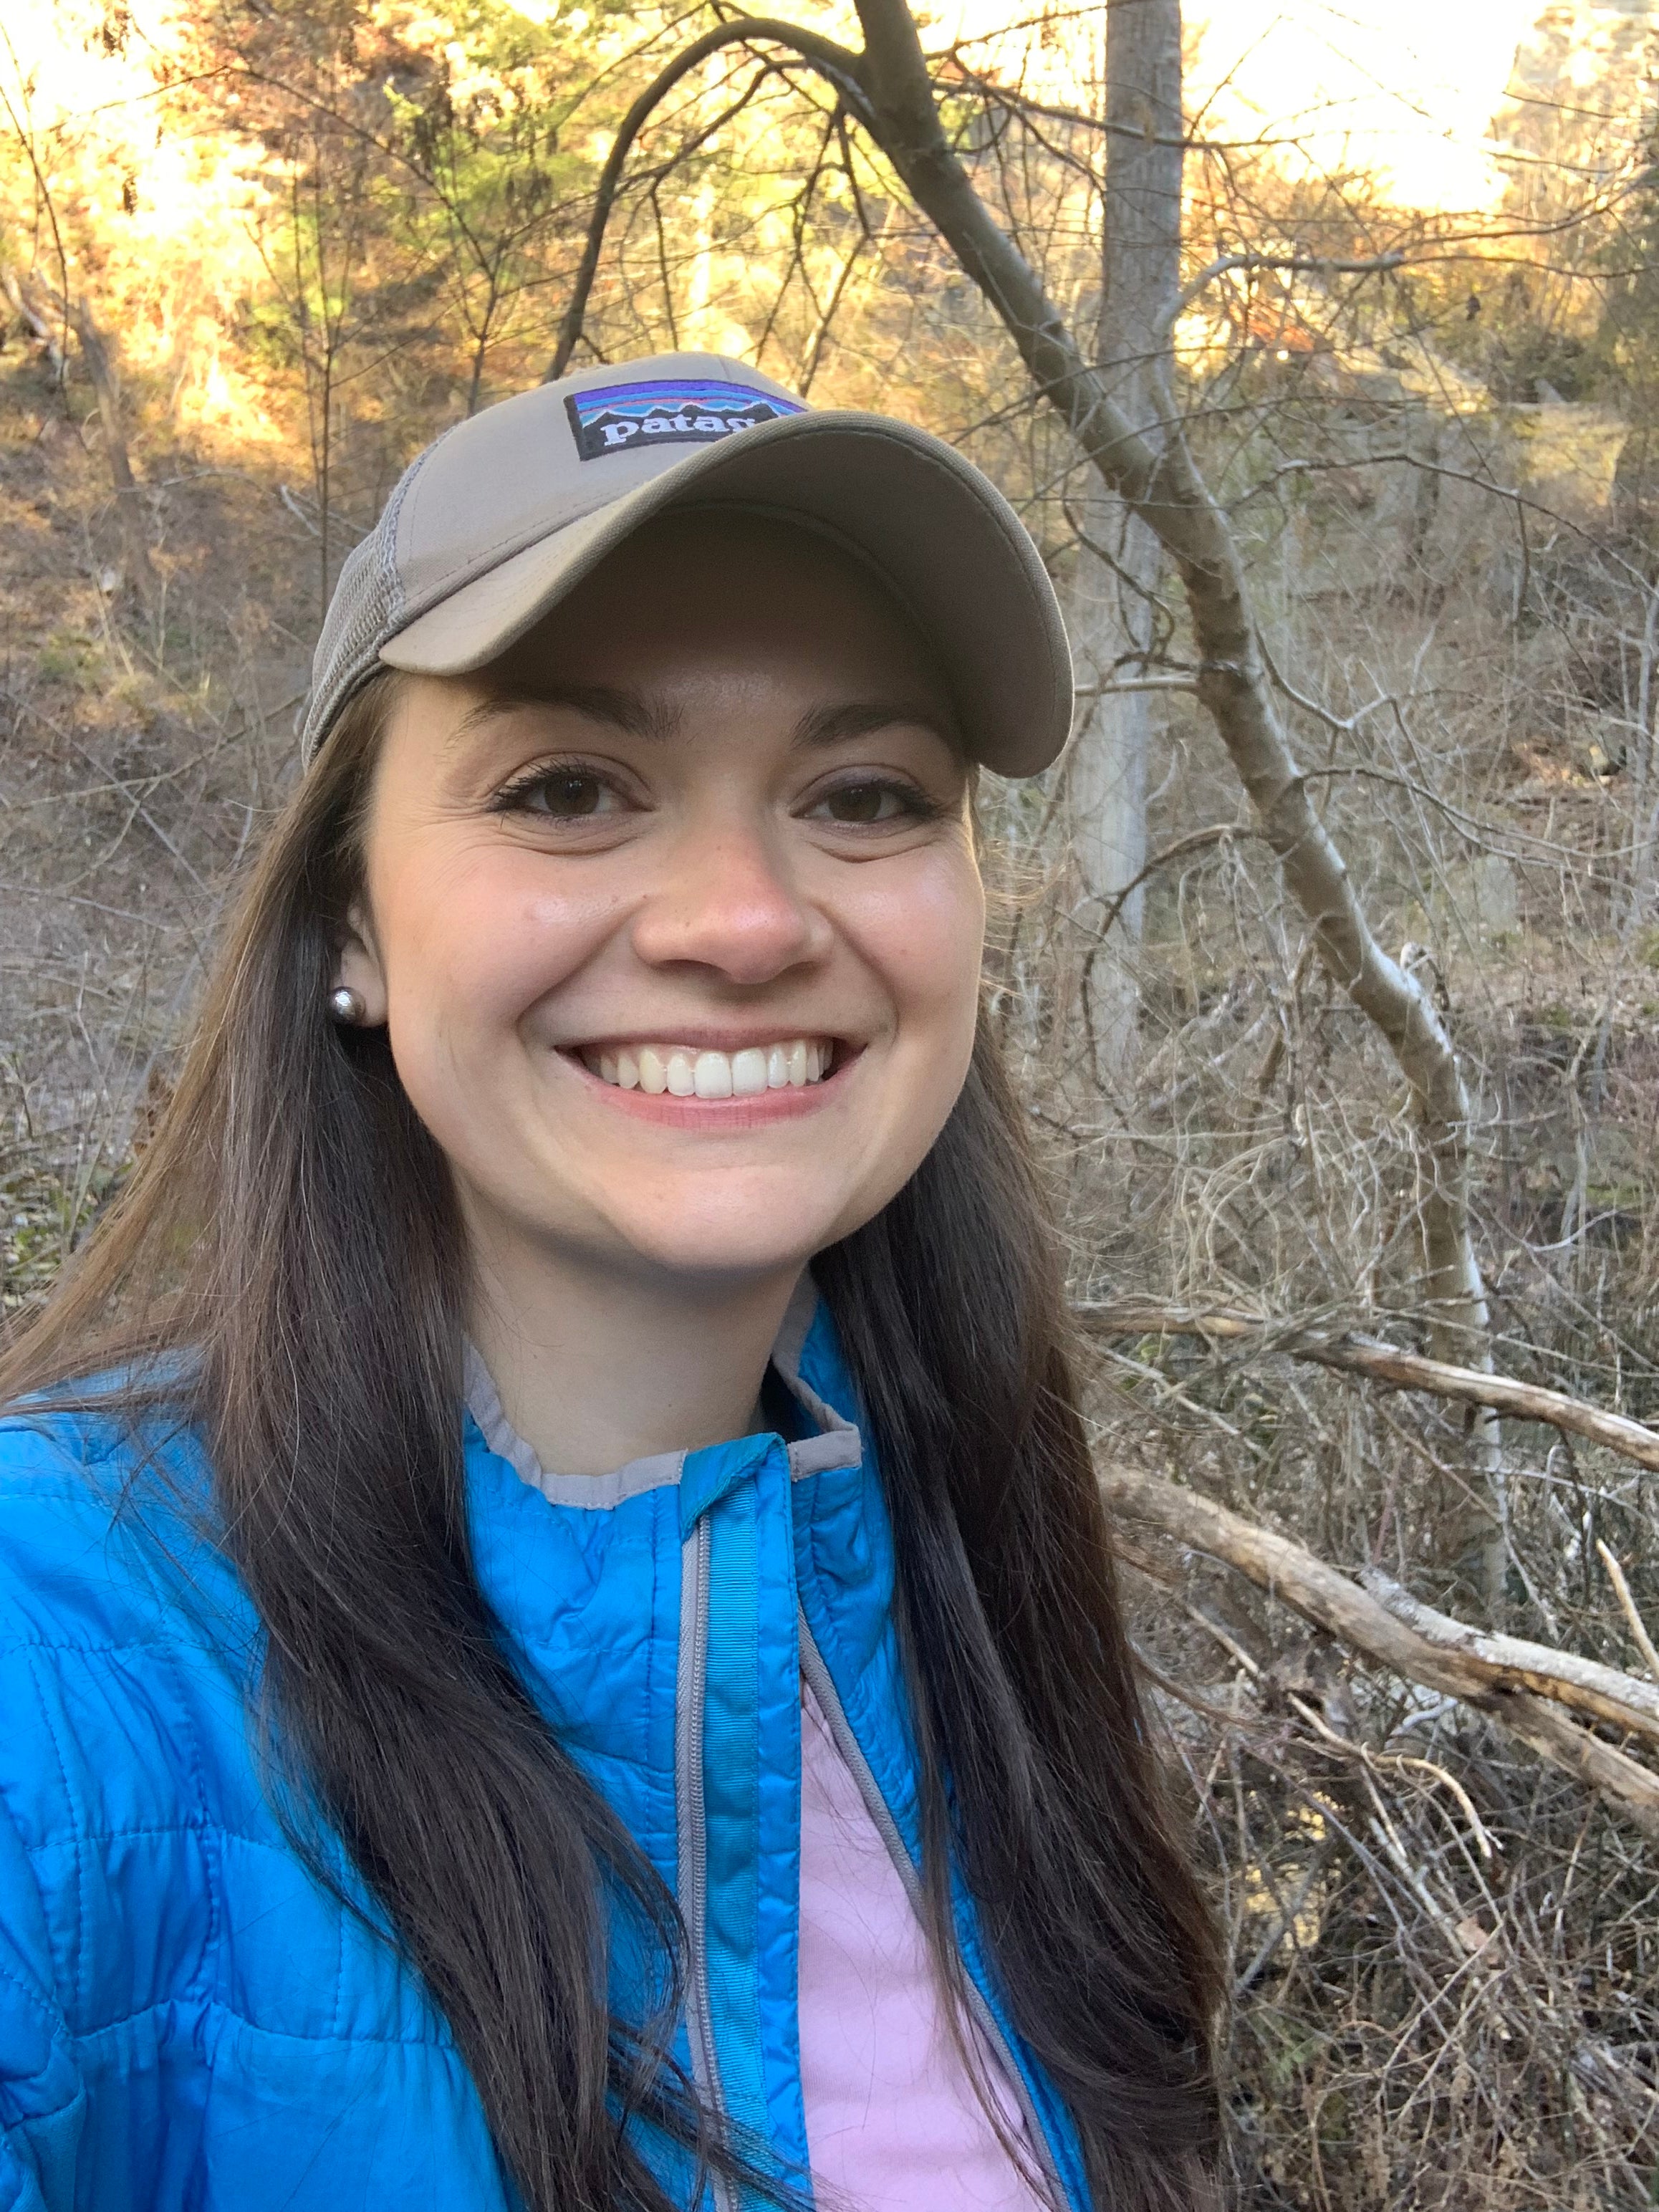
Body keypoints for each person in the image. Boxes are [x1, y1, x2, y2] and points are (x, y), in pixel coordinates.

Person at [0, 352, 1222, 2212]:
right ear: (350, 928)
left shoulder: (973, 1590)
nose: (741, 919)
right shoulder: (59, 1651)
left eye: (868, 793)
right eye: (570, 787)